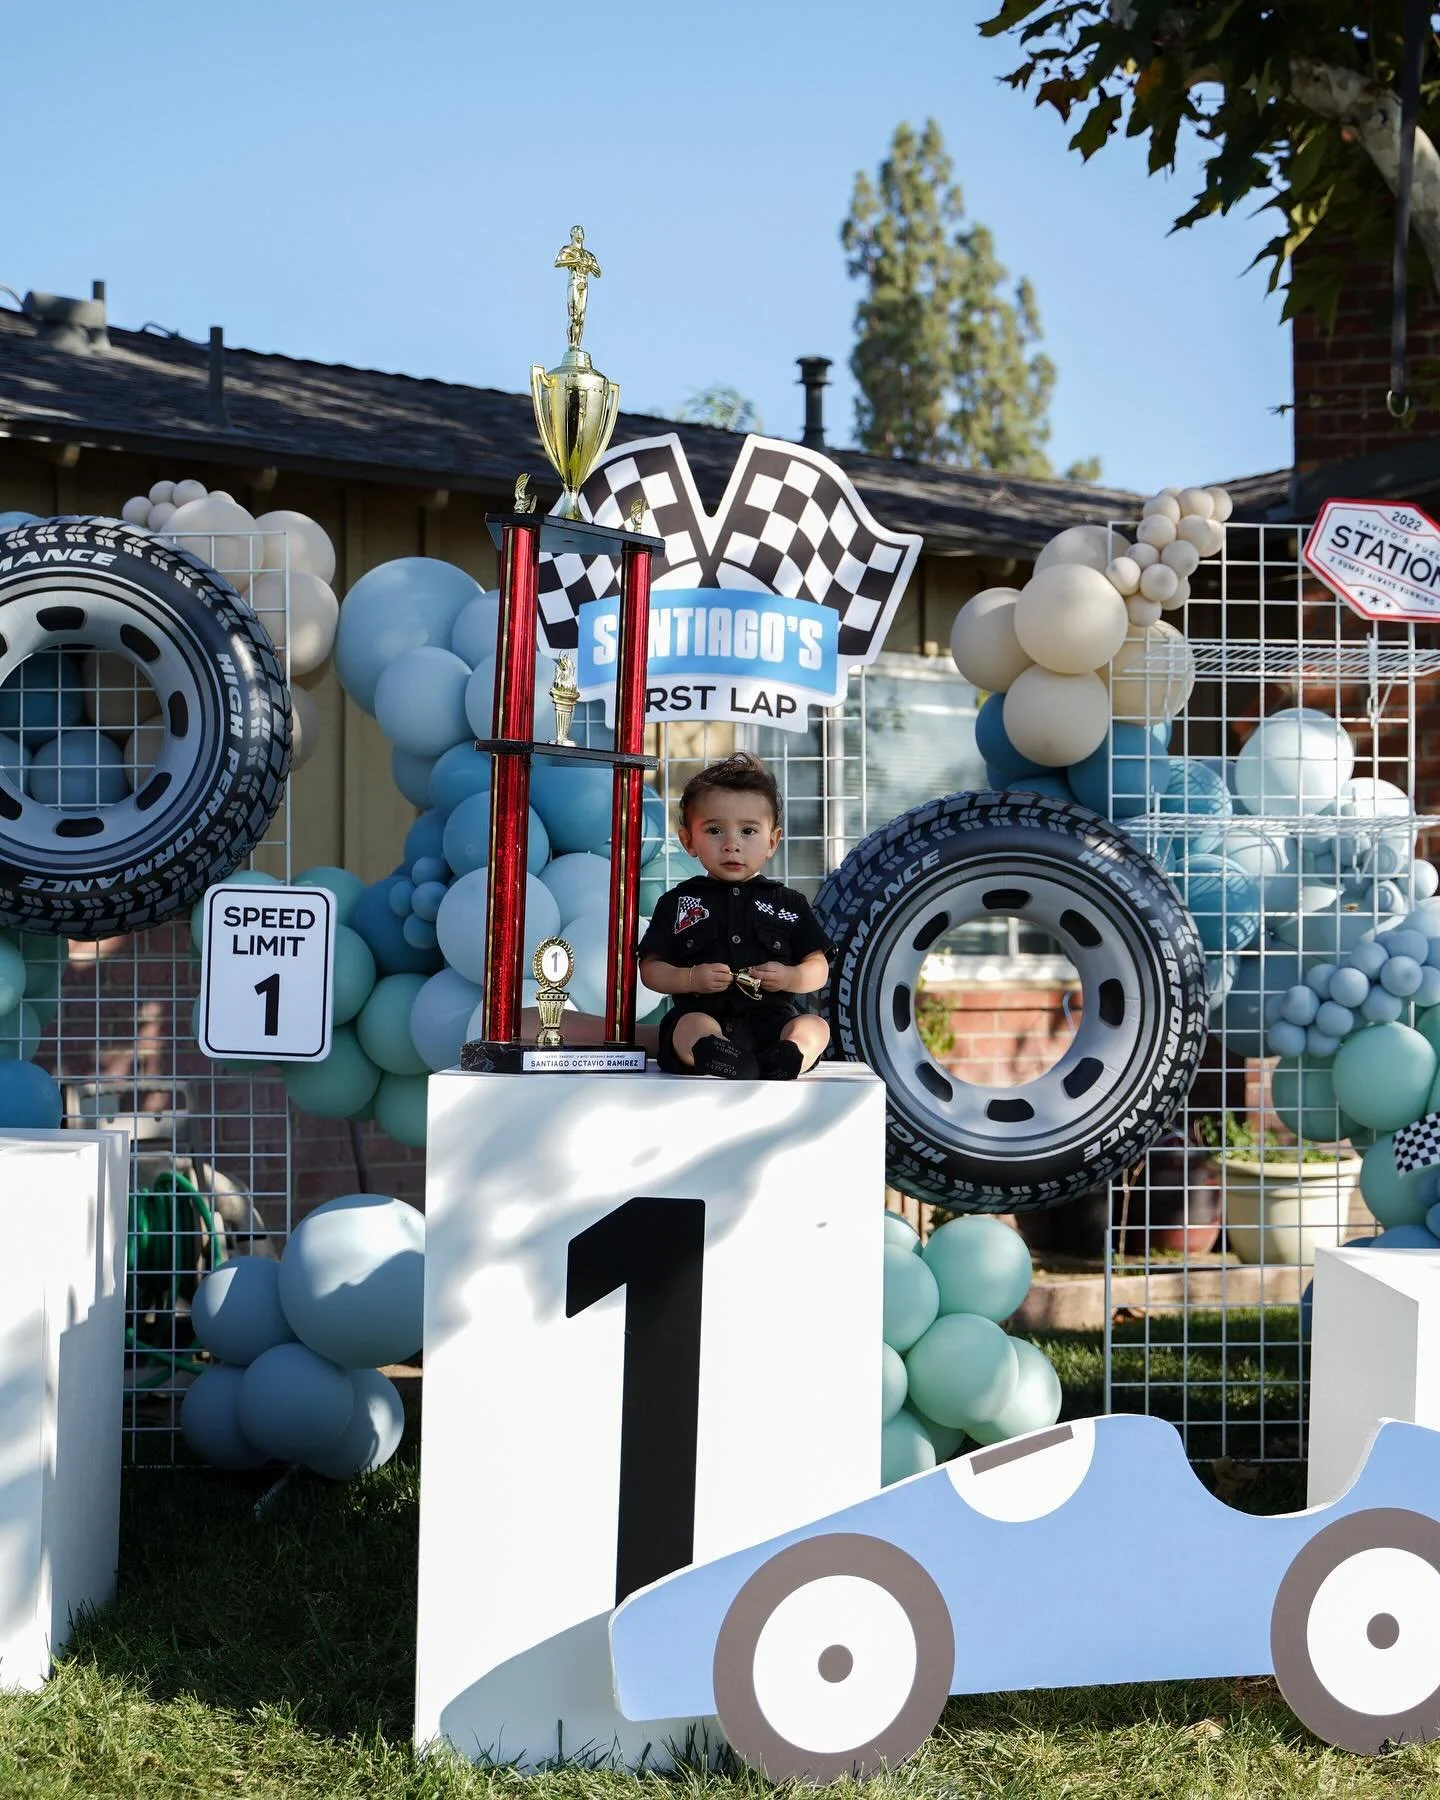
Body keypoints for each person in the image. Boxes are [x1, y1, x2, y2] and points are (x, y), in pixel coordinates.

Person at [638, 752, 832, 1080]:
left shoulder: (789, 903)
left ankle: (789, 1056)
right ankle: (715, 1052)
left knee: (814, 1027)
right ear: (688, 840)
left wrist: (789, 977)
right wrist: (689, 978)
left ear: (772, 840)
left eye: (748, 832)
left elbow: (818, 968)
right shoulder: (677, 902)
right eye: (714, 830)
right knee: (687, 1027)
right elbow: (650, 970)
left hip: (775, 1026)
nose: (732, 845)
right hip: (703, 1015)